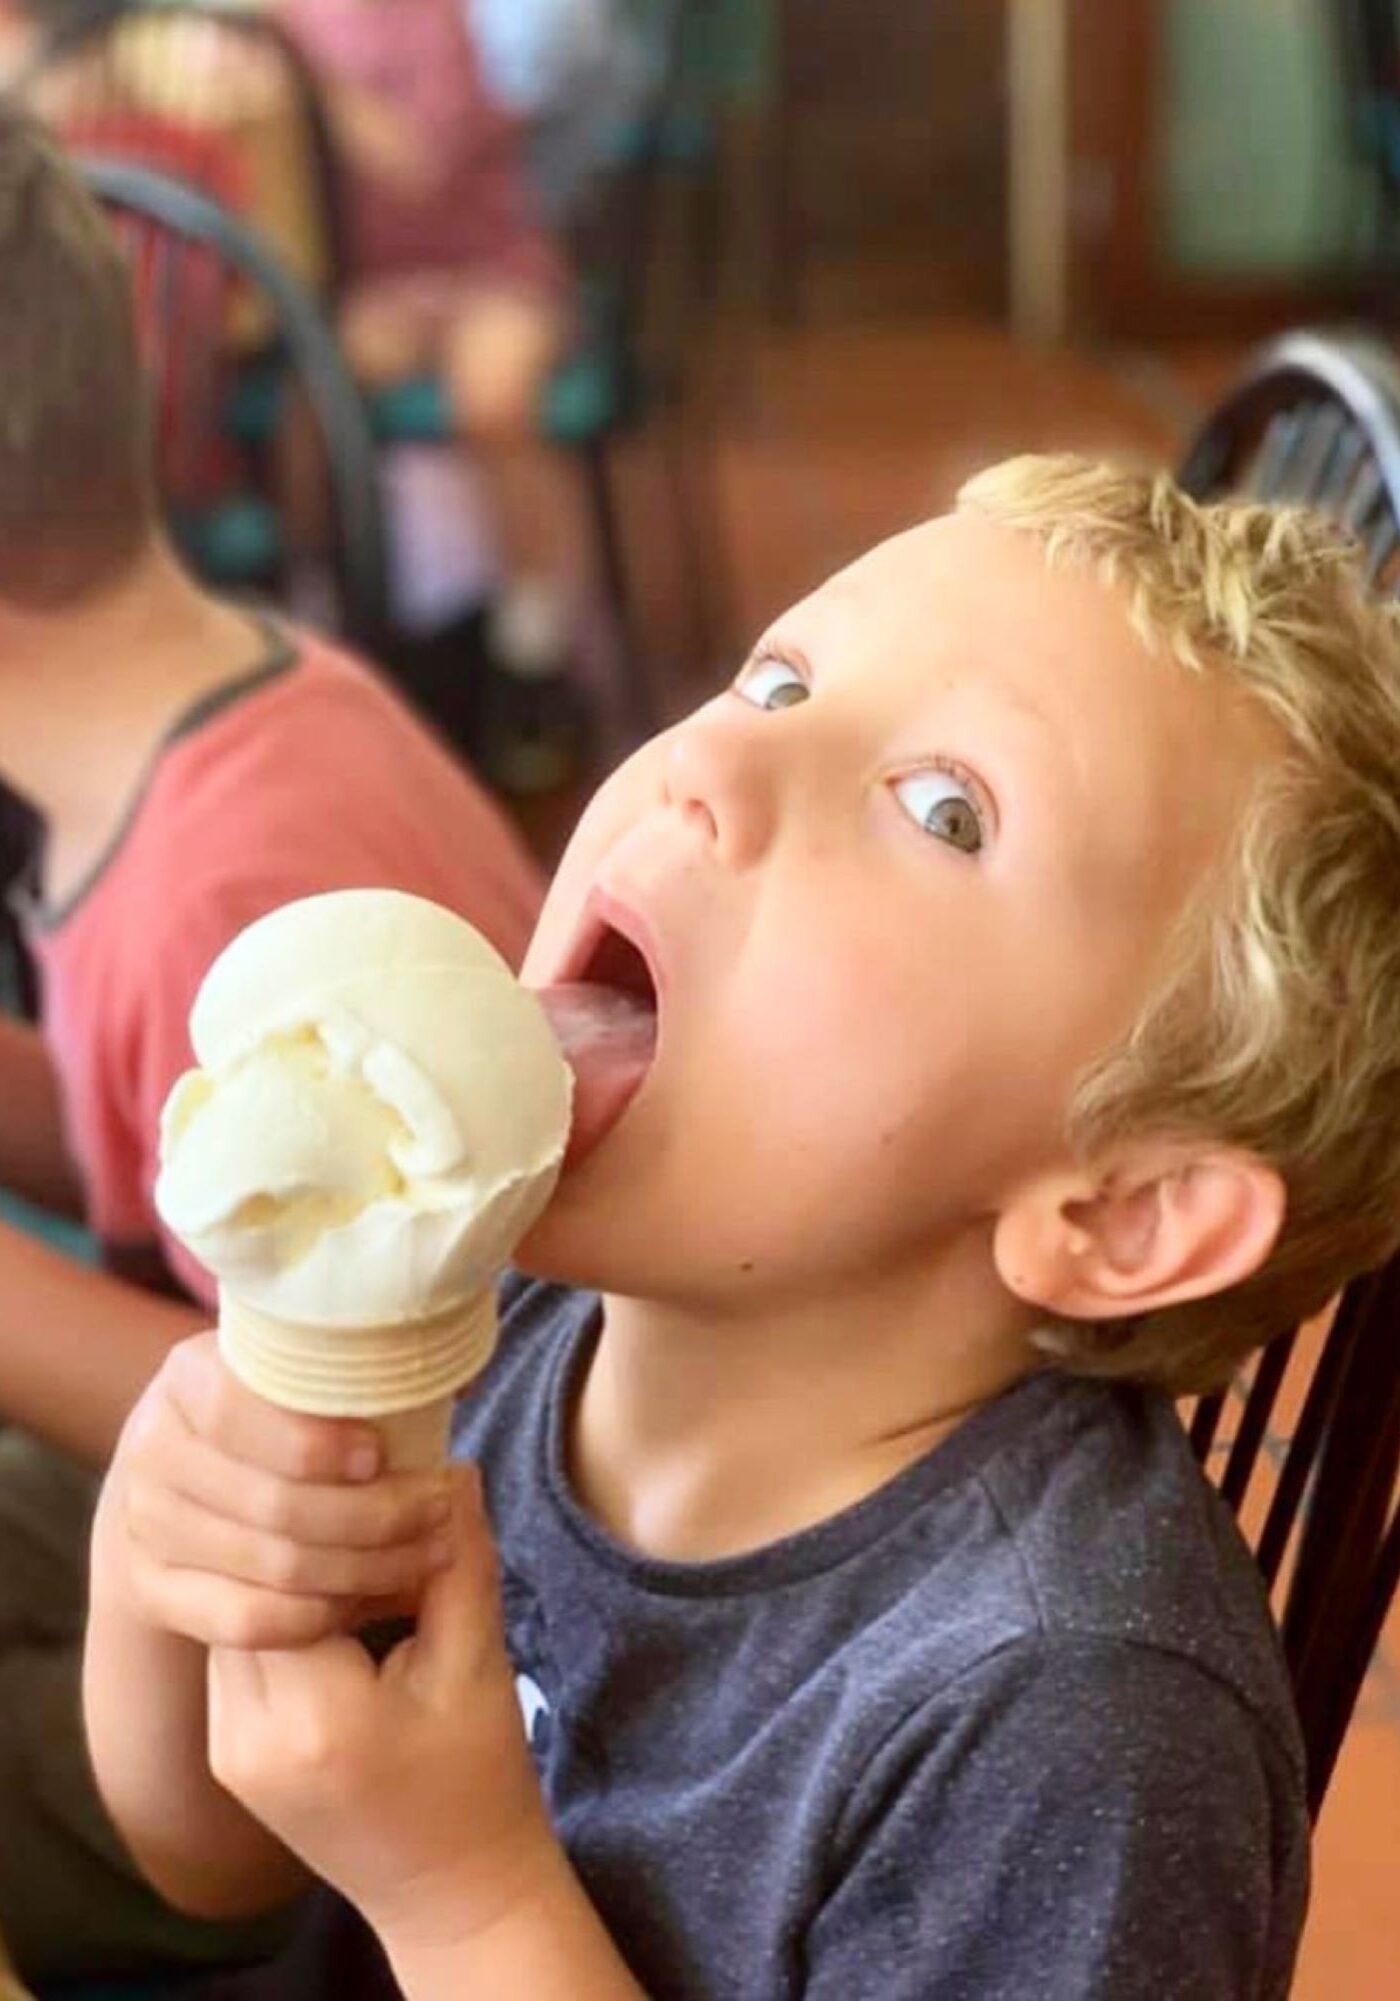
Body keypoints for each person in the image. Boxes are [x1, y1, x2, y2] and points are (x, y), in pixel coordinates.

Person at [83, 450, 1400, 2000]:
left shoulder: (1075, 1726)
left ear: (1121, 1211)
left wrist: (465, 1899)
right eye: (778, 681)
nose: (706, 761)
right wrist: (158, 1568)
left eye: (943, 809)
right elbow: (208, 1863)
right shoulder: (500, 1308)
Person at [0, 103, 543, 1985]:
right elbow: (139, 1139)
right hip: (241, 1511)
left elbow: (316, 1427)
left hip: (392, 1670)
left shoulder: (220, 890)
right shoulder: (205, 711)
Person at [276, 0, 592, 794]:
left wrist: (308, 78)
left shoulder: (428, 19)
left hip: (485, 271)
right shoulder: (273, 20)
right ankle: (327, 625)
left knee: (493, 396)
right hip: (371, 289)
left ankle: (534, 645)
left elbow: (419, 162)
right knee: (299, 390)